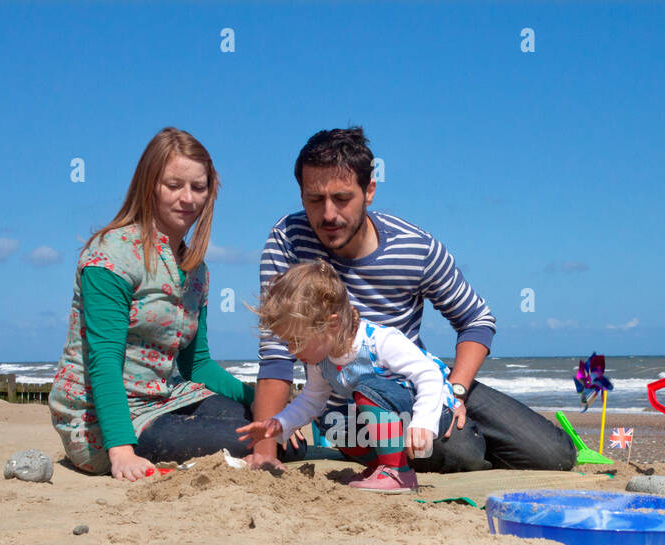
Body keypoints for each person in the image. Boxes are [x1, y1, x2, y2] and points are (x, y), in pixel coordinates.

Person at [245, 126, 575, 474]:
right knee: (463, 453)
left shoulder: (415, 247)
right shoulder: (287, 241)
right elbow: (277, 352)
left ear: (369, 190)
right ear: (301, 195)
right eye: (315, 199)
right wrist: (266, 450)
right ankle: (459, 449)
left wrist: (455, 392)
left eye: (342, 198)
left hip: (420, 375)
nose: (328, 215)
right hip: (350, 401)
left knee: (553, 455)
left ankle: (468, 438)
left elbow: (476, 320)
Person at [50, 127, 271, 480]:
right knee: (251, 443)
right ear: (149, 184)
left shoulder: (195, 268)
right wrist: (121, 452)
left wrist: (266, 406)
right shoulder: (111, 255)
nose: (188, 198)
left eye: (198, 188)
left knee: (271, 433)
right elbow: (104, 360)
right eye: (173, 185)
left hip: (167, 399)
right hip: (101, 420)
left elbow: (197, 366)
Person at [237, 261, 458, 493]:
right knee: (332, 422)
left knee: (366, 389)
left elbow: (429, 374)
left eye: (298, 340)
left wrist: (423, 421)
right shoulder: (320, 360)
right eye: (287, 342)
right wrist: (279, 424)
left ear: (332, 324)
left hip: (432, 408)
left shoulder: (378, 341)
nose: (292, 350)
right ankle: (380, 468)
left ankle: (398, 473)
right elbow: (311, 400)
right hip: (387, 419)